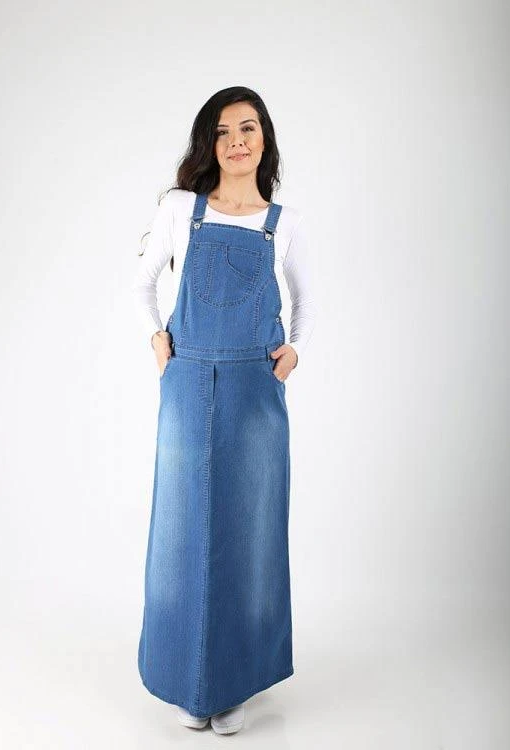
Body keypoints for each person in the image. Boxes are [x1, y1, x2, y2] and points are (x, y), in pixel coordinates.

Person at [131, 86, 317, 735]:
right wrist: (158, 340)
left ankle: (233, 682)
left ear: (265, 140)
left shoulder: (282, 223)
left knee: (249, 528)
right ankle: (189, 681)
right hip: (187, 384)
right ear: (209, 144)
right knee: (181, 529)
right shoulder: (181, 209)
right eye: (223, 131)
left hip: (254, 392)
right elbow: (143, 280)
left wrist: (293, 352)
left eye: (248, 128)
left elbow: (310, 300)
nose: (236, 141)